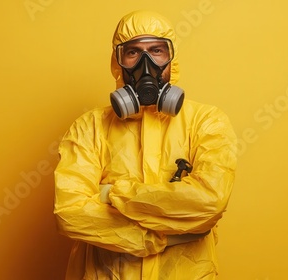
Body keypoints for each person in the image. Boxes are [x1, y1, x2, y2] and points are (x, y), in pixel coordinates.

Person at [53, 10, 237, 279]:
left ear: (171, 59)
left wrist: (114, 194)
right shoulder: (89, 126)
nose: (146, 63)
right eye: (133, 53)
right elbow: (69, 213)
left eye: (157, 51)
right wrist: (158, 237)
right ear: (118, 62)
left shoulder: (207, 122)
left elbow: (210, 202)